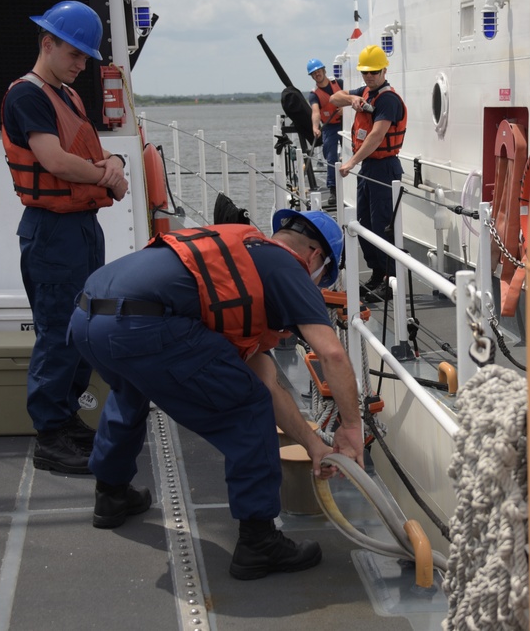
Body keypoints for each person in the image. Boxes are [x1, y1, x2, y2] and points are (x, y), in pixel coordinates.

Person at [68, 210, 366, 580]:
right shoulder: (290, 268)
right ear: (314, 256)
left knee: (131, 386)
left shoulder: (241, 258)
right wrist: (352, 427)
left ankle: (111, 494)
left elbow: (267, 382)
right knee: (248, 411)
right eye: (323, 275)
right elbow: (332, 353)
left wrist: (313, 445)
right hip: (140, 325)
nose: (317, 282)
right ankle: (259, 542)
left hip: (85, 319)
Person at [0, 0, 130, 474]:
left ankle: (67, 416)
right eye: (74, 54)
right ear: (47, 43)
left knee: (80, 327)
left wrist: (114, 163)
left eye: (85, 57)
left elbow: (87, 150)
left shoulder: (68, 96)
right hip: (52, 232)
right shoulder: (28, 96)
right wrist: (108, 176)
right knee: (58, 331)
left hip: (79, 228)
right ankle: (50, 436)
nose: (80, 65)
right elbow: (54, 161)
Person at [330, 44, 407, 299]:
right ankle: (376, 273)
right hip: (368, 168)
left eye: (374, 71)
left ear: (384, 70)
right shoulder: (364, 92)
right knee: (363, 222)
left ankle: (390, 279)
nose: (369, 76)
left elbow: (376, 136)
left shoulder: (388, 99)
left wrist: (351, 162)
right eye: (365, 72)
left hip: (385, 168)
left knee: (383, 225)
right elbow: (333, 98)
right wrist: (352, 99)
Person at [307, 58, 344, 197]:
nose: (317, 74)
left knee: (352, 151)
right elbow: (315, 112)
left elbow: (352, 97)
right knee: (331, 156)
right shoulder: (314, 94)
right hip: (329, 127)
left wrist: (345, 109)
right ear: (312, 76)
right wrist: (315, 127)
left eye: (318, 71)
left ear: (324, 70)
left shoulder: (339, 83)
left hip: (346, 124)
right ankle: (333, 188)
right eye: (314, 73)